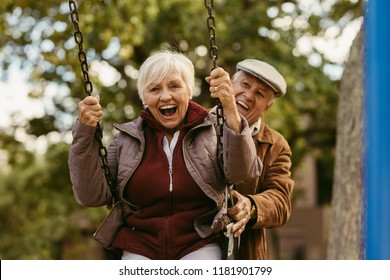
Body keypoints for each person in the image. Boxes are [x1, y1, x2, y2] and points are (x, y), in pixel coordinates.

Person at [68, 50, 262, 260]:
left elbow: (242, 172)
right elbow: (91, 196)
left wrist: (230, 109)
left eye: (174, 86)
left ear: (188, 91)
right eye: (154, 89)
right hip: (139, 245)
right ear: (145, 97)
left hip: (200, 243)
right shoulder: (126, 140)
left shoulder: (212, 129)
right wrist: (85, 131)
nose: (165, 96)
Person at [206, 59, 294, 260]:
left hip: (243, 255)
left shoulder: (276, 145)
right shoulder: (194, 123)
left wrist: (251, 206)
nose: (249, 95)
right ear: (231, 83)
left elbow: (280, 202)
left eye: (260, 94)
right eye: (245, 84)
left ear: (268, 107)